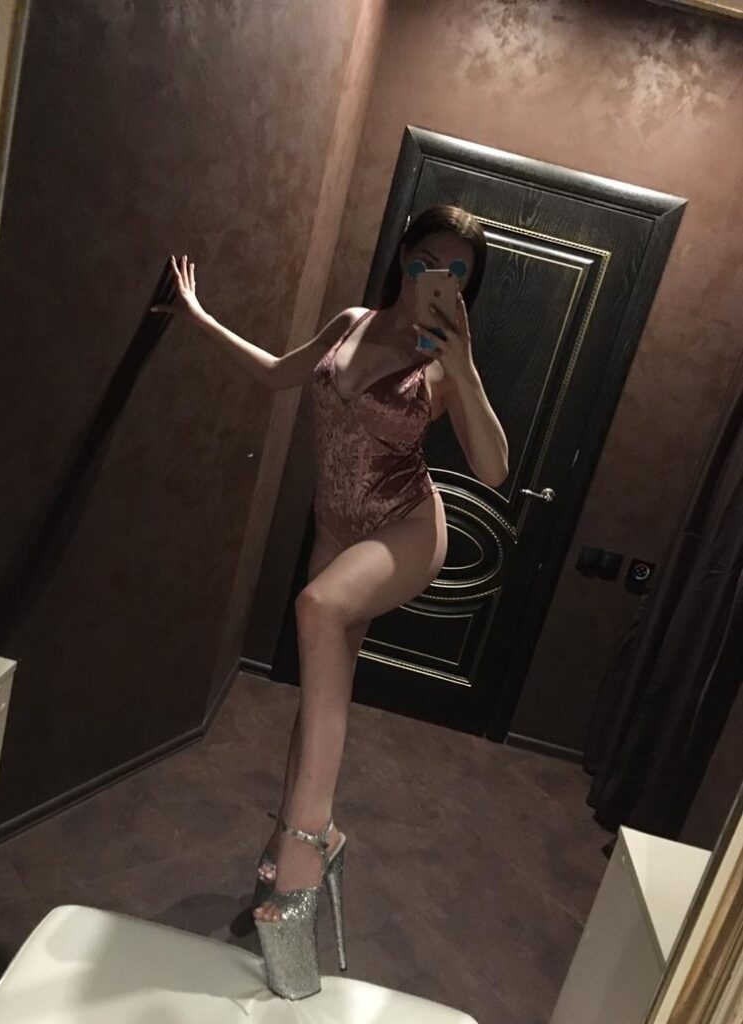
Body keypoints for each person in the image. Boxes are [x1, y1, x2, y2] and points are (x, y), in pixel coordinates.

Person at [151, 204, 508, 999]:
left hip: (405, 528)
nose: (437, 277)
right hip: (336, 530)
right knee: (319, 701)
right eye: (426, 260)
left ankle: (302, 855)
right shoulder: (351, 322)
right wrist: (200, 316)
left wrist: (466, 366)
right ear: (403, 257)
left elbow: (492, 469)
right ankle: (308, 842)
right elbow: (278, 373)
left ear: (467, 287)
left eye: (457, 271)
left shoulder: (443, 364)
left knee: (315, 609)